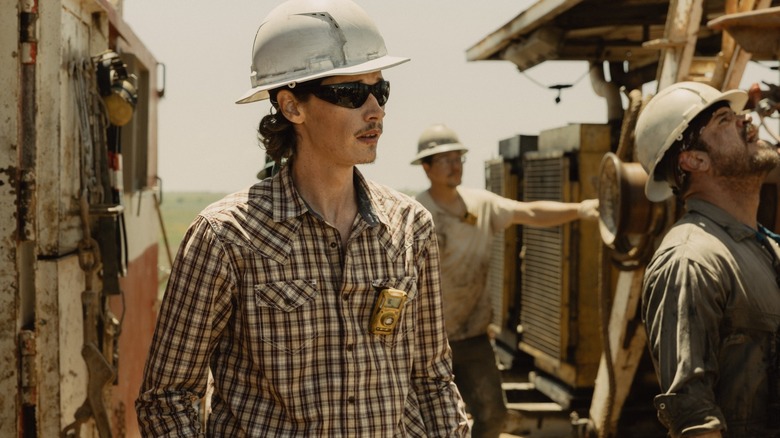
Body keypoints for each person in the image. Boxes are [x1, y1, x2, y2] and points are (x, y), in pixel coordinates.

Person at [135, 1, 470, 436]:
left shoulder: (410, 227)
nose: (376, 110)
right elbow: (167, 399)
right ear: (293, 107)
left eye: (380, 90)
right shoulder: (227, 236)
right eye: (351, 93)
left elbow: (431, 379)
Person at [410, 123, 599, 438]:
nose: (455, 165)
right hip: (425, 341)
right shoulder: (416, 214)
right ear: (427, 167)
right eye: (445, 159)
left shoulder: (481, 206)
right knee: (426, 423)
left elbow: (530, 213)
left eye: (458, 158)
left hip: (472, 337)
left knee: (493, 417)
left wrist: (580, 209)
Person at [637, 81, 780, 438]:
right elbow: (694, 418)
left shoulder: (764, 248)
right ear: (694, 160)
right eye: (724, 119)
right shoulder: (691, 260)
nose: (748, 122)